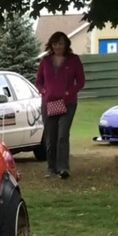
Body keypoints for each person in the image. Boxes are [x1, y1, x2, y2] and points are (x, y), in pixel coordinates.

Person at [36, 31, 86, 179]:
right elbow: (39, 82)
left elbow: (81, 82)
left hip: (68, 103)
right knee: (51, 136)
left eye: (61, 43)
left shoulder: (74, 60)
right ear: (51, 45)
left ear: (66, 45)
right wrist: (44, 92)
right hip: (49, 103)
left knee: (63, 135)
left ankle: (63, 168)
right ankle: (51, 169)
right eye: (55, 43)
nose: (58, 46)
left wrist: (69, 93)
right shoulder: (45, 61)